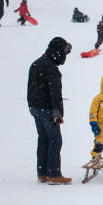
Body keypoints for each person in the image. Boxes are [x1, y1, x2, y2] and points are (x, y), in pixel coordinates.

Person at [27, 37, 73, 184]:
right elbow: (55, 94)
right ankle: (53, 174)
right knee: (55, 140)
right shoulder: (51, 69)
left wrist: (32, 107)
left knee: (43, 139)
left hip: (35, 108)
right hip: (47, 110)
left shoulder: (36, 64)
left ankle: (42, 173)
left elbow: (30, 89)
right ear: (57, 52)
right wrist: (57, 114)